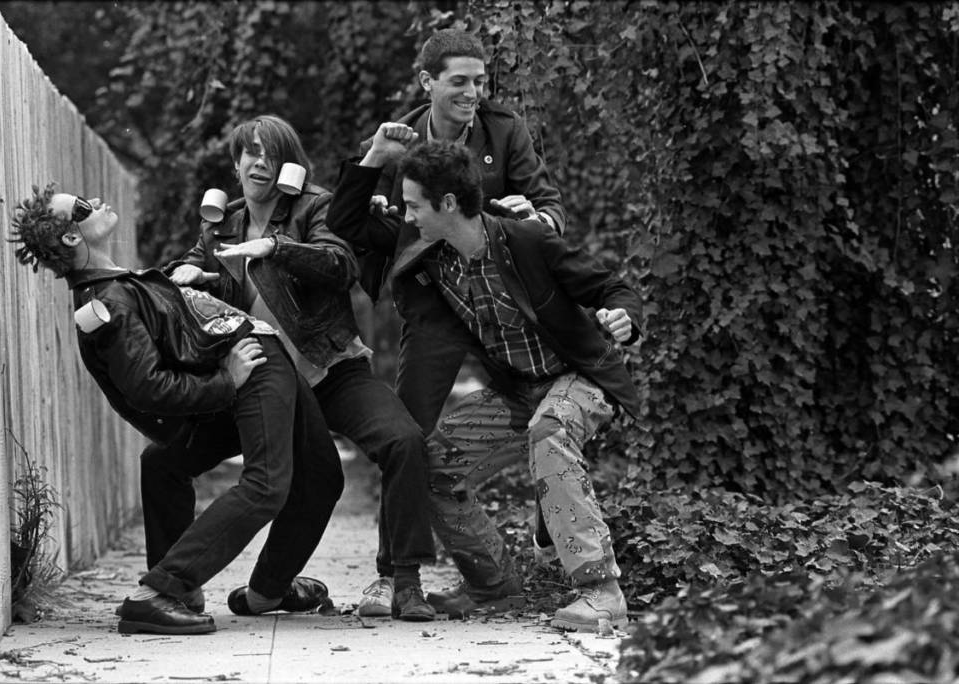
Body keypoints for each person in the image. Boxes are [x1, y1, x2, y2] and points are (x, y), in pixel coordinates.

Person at [327, 125, 643, 633]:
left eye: (413, 205)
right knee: (430, 465)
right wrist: (373, 157)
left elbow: (612, 286)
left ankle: (602, 593)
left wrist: (622, 318)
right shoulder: (428, 247)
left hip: (577, 379)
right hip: (518, 390)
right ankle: (494, 587)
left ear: (448, 203)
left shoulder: (526, 239)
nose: (405, 215)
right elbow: (345, 223)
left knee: (551, 430)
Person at [9, 184, 342, 634]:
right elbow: (150, 387)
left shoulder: (114, 286)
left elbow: (172, 337)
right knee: (267, 485)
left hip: (254, 360)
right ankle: (161, 590)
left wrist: (193, 285)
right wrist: (228, 380)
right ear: (71, 237)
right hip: (249, 367)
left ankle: (264, 590)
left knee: (315, 474)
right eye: (84, 207)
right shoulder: (108, 304)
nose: (99, 202)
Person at [165, 115, 436, 621]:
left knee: (404, 441)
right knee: (169, 461)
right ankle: (187, 591)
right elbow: (195, 283)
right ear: (237, 162)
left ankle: (405, 579)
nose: (260, 162)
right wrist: (184, 274)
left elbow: (340, 265)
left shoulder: (315, 207)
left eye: (271, 154)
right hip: (263, 384)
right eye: (251, 152)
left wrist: (276, 247)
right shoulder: (219, 225)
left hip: (329, 368)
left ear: (288, 165)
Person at [357, 28, 569, 436]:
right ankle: (408, 498)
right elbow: (361, 221)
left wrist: (536, 221)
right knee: (409, 435)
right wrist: (378, 210)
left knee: (549, 423)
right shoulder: (392, 141)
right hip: (433, 303)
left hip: (504, 300)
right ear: (427, 82)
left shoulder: (506, 129)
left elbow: (551, 207)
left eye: (478, 81)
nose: (472, 92)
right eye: (459, 81)